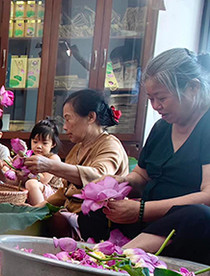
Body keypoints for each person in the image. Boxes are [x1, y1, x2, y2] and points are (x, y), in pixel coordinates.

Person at [78, 49, 210, 241]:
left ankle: (124, 256)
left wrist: (142, 211)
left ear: (193, 88)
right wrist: (120, 182)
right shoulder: (161, 128)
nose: (156, 106)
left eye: (162, 98)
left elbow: (207, 197)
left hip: (182, 224)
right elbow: (141, 176)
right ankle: (120, 255)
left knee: (198, 216)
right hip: (149, 217)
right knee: (93, 212)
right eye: (151, 99)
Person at [24, 89, 128, 235]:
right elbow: (65, 192)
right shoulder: (77, 149)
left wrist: (51, 166)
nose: (65, 127)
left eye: (68, 118)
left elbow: (100, 177)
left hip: (96, 223)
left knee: (53, 220)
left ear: (91, 117)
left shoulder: (110, 145)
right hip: (72, 216)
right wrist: (35, 209)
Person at [0, 119, 64, 205]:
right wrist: (0, 170)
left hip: (53, 195)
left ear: (53, 144)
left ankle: (40, 212)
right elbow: (16, 181)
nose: (39, 146)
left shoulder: (53, 158)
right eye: (35, 142)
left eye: (44, 143)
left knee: (31, 183)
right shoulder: (28, 155)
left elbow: (43, 180)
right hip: (33, 190)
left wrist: (26, 169)